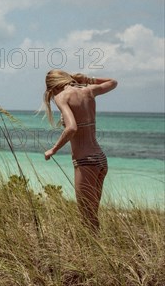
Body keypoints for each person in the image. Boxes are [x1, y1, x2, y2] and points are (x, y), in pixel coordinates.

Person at [43, 70, 117, 232]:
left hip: (86, 162)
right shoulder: (89, 90)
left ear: (53, 86)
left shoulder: (61, 97)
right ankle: (99, 252)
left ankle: (92, 254)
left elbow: (71, 128)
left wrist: (53, 149)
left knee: (86, 218)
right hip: (101, 159)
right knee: (92, 216)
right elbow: (113, 82)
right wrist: (88, 79)